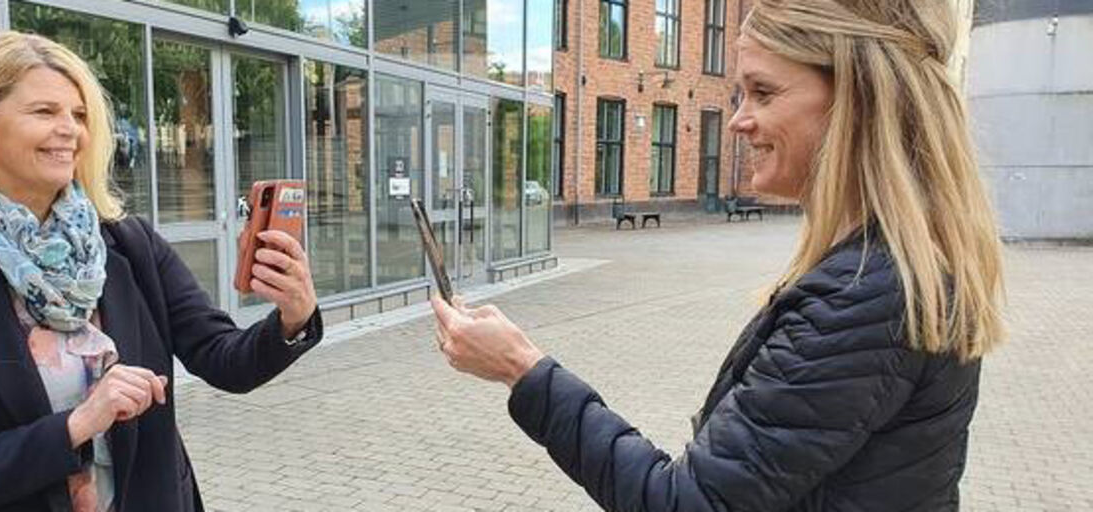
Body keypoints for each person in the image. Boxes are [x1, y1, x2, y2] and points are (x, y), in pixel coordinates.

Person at [431, 0, 1005, 510]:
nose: (738, 120)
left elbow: (683, 501)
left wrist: (523, 371)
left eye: (763, 91)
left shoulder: (864, 298)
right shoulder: (887, 271)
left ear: (856, 97)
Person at [0, 30, 322, 512]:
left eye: (79, 114)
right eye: (44, 111)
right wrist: (77, 425)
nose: (70, 129)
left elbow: (224, 358)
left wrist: (293, 318)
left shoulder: (130, 245)